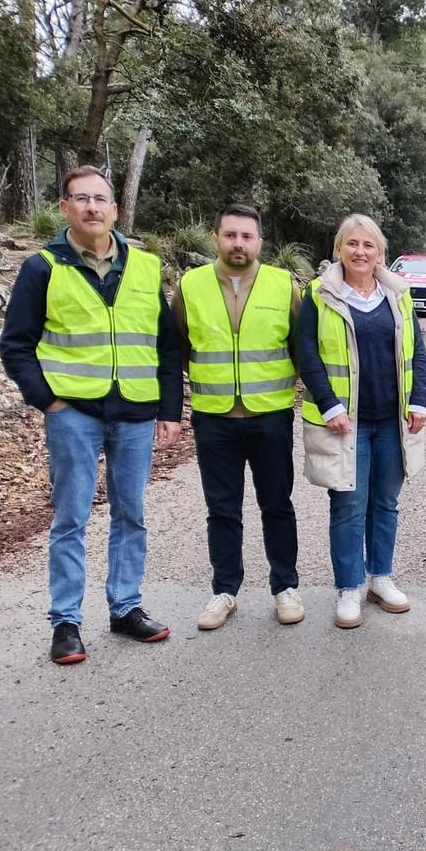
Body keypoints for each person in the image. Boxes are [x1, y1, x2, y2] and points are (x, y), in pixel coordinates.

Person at [0, 165, 182, 665]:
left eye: (101, 199)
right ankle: (66, 622)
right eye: (82, 199)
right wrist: (48, 399)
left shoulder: (144, 267)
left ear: (115, 209)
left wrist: (169, 409)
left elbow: (166, 346)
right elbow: (15, 345)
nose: (93, 208)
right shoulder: (43, 267)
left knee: (132, 514)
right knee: (71, 517)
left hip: (136, 413)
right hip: (73, 414)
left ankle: (125, 608)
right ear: (65, 208)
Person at [173, 204, 303, 630]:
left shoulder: (283, 285)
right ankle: (224, 590)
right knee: (222, 509)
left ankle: (285, 586)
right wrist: (173, 410)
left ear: (260, 242)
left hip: (270, 416)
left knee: (277, 505)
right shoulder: (190, 286)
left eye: (247, 237)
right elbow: (177, 352)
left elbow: (302, 351)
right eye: (230, 235)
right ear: (216, 238)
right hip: (214, 418)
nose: (238, 244)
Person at [298, 214, 426, 629]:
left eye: (368, 245)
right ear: (339, 249)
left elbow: (417, 352)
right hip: (346, 423)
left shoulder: (397, 295)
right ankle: (349, 587)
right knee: (349, 506)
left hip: (392, 419)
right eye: (352, 244)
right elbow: (306, 354)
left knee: (385, 503)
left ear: (380, 252)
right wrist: (330, 404)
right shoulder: (320, 294)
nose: (360, 252)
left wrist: (420, 400)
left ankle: (380, 578)